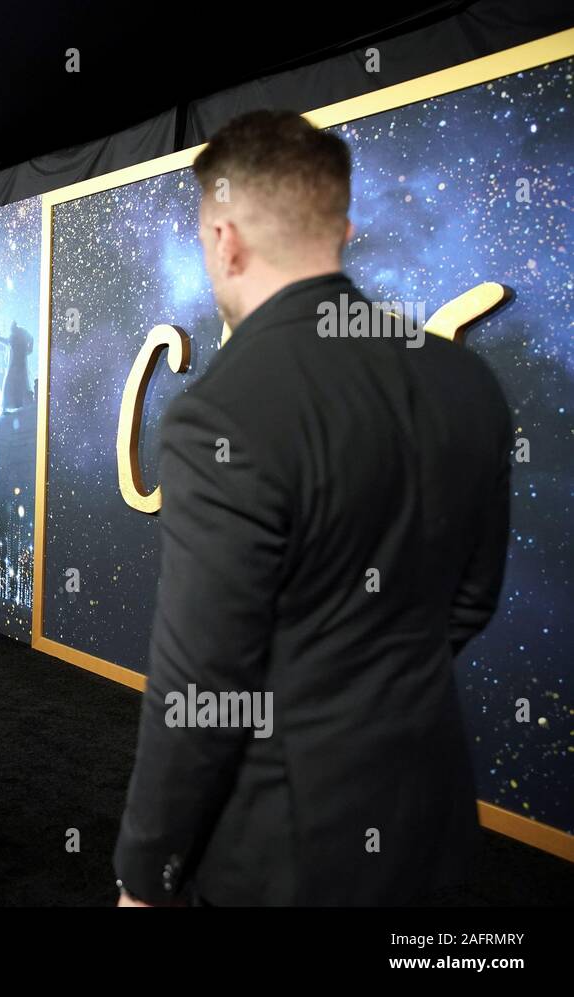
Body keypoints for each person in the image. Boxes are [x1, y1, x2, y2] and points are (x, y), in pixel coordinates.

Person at [111, 110, 511, 907]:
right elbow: (471, 600)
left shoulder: (218, 412)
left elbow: (200, 683)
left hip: (284, 860)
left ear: (223, 238)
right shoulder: (464, 382)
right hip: (430, 833)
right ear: (341, 226)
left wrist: (144, 876)